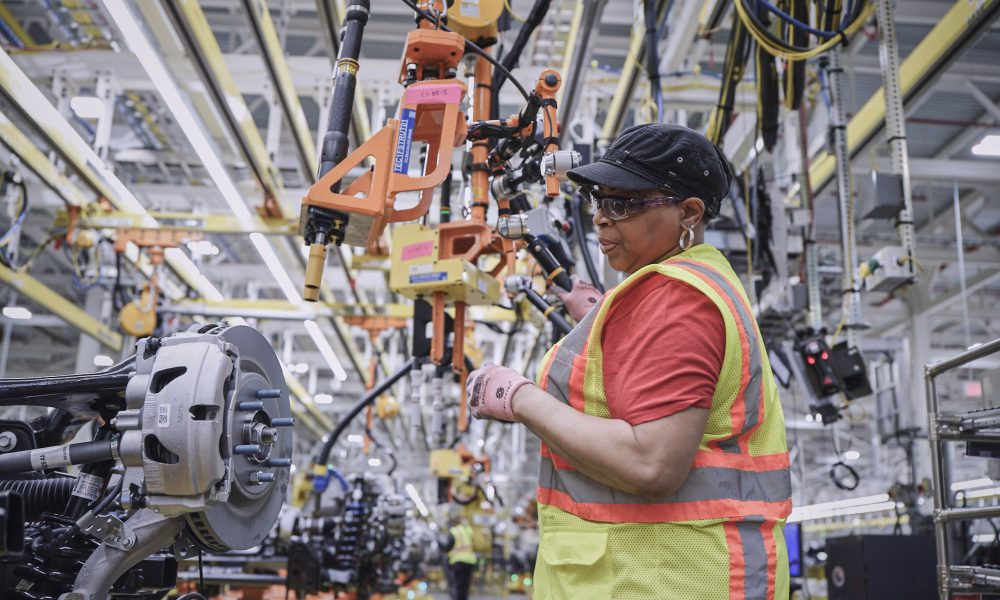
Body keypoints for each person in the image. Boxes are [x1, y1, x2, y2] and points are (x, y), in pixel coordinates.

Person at [466, 123, 792, 599]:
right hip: (656, 572)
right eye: (598, 201)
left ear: (689, 212)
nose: (601, 219)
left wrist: (517, 398)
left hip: (670, 577)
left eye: (623, 204)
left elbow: (651, 464)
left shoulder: (678, 300)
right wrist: (607, 320)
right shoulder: (681, 287)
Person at [447, 513, 477, 600]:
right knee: (466, 585)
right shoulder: (468, 530)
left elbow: (448, 545)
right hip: (470, 561)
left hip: (458, 561)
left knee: (458, 585)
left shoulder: (453, 531)